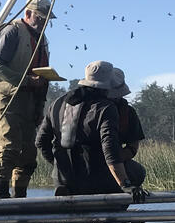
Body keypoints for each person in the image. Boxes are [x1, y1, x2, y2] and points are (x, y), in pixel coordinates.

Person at [36, 60, 147, 200]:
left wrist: (58, 165)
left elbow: (40, 141)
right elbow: (110, 149)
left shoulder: (57, 103)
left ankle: (68, 189)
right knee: (138, 172)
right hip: (97, 177)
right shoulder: (105, 108)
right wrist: (125, 184)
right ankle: (114, 204)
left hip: (63, 177)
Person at [0, 0, 55, 198]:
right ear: (28, 13)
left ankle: (20, 198)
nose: (43, 23)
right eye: (40, 18)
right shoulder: (12, 31)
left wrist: (39, 107)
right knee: (8, 148)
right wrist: (25, 80)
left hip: (29, 99)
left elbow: (42, 76)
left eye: (46, 20)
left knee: (28, 154)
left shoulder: (42, 40)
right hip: (6, 96)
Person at [109, 67, 146, 188]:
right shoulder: (87, 108)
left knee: (138, 172)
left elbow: (133, 146)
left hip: (116, 159)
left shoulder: (128, 112)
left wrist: (114, 160)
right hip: (85, 161)